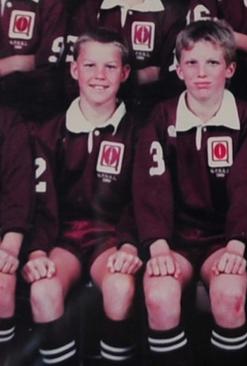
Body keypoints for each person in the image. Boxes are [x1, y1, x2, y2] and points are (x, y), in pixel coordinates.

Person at [133, 20, 247, 366]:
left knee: (231, 291)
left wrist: (237, 245)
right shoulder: (161, 117)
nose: (201, 72)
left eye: (213, 62)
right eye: (191, 62)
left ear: (230, 69)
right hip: (174, 239)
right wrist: (158, 246)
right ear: (177, 68)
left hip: (223, 239)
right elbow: (150, 185)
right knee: (159, 294)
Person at [24, 28, 142, 365]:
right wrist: (36, 252)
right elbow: (40, 201)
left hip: (114, 239)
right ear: (74, 69)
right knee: (44, 289)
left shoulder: (139, 131)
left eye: (110, 67)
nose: (100, 76)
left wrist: (131, 245)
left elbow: (143, 198)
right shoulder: (48, 132)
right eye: (90, 66)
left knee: (120, 286)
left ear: (125, 73)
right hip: (64, 239)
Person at [0, 107, 33, 360]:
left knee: (1, 283)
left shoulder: (9, 122)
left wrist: (10, 246)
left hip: (3, 232)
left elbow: (19, 190)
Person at [0, 0, 67, 120]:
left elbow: (47, 61)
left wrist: (10, 64)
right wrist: (18, 62)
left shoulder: (51, 4)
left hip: (23, 106)